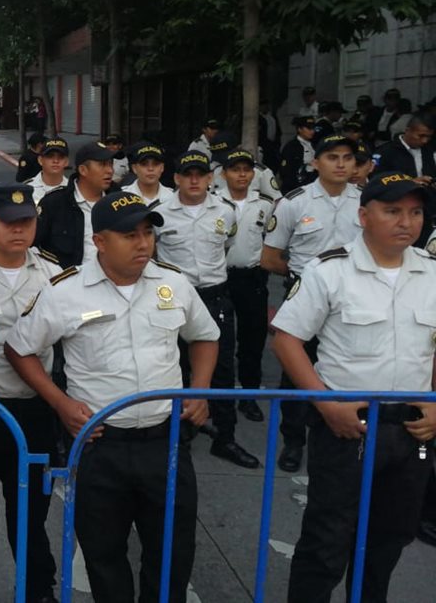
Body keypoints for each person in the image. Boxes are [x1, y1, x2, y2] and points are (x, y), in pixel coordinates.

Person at [5, 192, 218, 603]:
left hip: (166, 442)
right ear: (100, 241)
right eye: (128, 236)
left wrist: (200, 390)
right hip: (102, 445)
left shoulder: (173, 282)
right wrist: (61, 403)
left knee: (172, 552)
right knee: (104, 556)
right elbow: (20, 348)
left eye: (147, 233)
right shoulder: (65, 291)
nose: (142, 244)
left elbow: (205, 337)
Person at [271, 172, 436, 603]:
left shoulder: (432, 273)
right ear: (364, 216)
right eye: (393, 211)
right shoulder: (330, 270)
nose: (407, 222)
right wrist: (326, 404)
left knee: (389, 540)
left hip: (411, 430)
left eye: (416, 212)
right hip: (349, 426)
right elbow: (287, 339)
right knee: (328, 540)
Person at [0, 182, 62, 603]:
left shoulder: (52, 273)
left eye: (26, 221)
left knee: (30, 515)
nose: (17, 230)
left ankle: (37, 589)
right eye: (6, 222)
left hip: (34, 411)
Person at [261, 134, 363, 472]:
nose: (341, 164)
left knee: (345, 368)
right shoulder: (294, 202)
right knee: (295, 372)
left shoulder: (365, 203)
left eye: (347, 158)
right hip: (305, 298)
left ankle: (347, 429)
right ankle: (293, 440)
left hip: (352, 303)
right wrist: (304, 282)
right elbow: (270, 257)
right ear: (315, 162)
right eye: (332, 157)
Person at [151, 152, 259, 468]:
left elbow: (226, 246)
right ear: (177, 179)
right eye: (188, 174)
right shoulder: (161, 214)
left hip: (215, 297)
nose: (194, 180)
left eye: (200, 174)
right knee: (177, 366)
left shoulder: (224, 212)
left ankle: (225, 437)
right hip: (175, 299)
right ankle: (182, 434)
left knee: (223, 368)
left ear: (211, 178)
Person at [214, 150, 274, 423]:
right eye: (235, 169)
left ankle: (249, 395)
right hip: (220, 279)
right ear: (224, 173)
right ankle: (217, 398)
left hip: (251, 278)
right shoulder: (212, 202)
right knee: (218, 341)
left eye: (246, 170)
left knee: (253, 338)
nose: (241, 174)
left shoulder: (266, 204)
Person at [34, 142, 119, 266]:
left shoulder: (120, 201)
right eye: (102, 165)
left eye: (111, 164)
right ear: (83, 170)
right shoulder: (54, 204)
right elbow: (35, 248)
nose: (110, 171)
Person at [279, 115, 318, 193]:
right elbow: (286, 171)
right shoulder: (292, 146)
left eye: (313, 128)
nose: (312, 131)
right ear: (299, 129)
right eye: (309, 128)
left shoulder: (315, 145)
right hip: (298, 185)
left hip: (314, 183)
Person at [25, 137, 71, 203]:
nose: (56, 161)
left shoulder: (74, 190)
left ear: (66, 162)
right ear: (40, 160)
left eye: (60, 157)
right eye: (50, 156)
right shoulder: (28, 189)